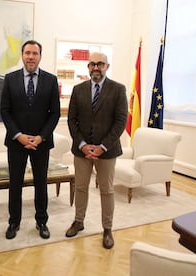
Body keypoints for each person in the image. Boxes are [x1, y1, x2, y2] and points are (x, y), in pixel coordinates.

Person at [65, 52, 128, 249]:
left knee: (107, 190)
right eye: (92, 64)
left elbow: (120, 121)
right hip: (81, 150)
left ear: (107, 66)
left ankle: (107, 229)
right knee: (81, 187)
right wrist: (83, 144)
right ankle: (79, 221)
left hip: (106, 151)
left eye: (100, 64)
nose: (95, 68)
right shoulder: (78, 89)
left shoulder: (118, 89)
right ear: (88, 67)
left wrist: (102, 147)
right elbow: (71, 120)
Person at [0, 40, 60, 240]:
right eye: (27, 53)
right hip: (17, 142)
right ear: (22, 55)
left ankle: (41, 221)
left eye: (35, 53)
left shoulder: (51, 80)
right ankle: (13, 222)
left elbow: (55, 113)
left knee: (41, 183)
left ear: (40, 56)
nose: (31, 56)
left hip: (41, 143)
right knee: (15, 183)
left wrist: (41, 137)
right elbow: (5, 111)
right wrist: (19, 136)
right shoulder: (10, 79)